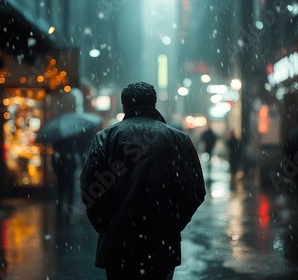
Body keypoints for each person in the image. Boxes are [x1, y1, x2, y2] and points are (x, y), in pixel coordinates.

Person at [80, 82, 206, 279]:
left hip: (118, 243)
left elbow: (90, 190)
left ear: (123, 107)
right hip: (161, 244)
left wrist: (108, 225)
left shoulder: (105, 138)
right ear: (153, 104)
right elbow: (195, 191)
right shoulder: (179, 140)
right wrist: (171, 224)